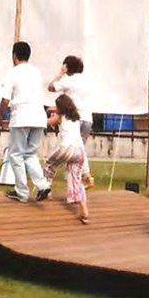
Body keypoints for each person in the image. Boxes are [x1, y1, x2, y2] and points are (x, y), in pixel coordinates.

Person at [0, 41, 49, 202]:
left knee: (16, 154)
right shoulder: (36, 72)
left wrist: (0, 116)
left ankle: (22, 192)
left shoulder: (12, 73)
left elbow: (5, 99)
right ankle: (42, 185)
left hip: (21, 116)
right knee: (30, 153)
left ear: (14, 56)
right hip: (39, 116)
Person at [43, 94, 92, 225]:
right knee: (76, 180)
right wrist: (53, 109)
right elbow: (61, 110)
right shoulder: (76, 117)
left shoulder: (60, 117)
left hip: (66, 148)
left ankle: (47, 189)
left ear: (61, 108)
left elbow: (47, 122)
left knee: (49, 162)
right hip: (79, 151)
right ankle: (84, 211)